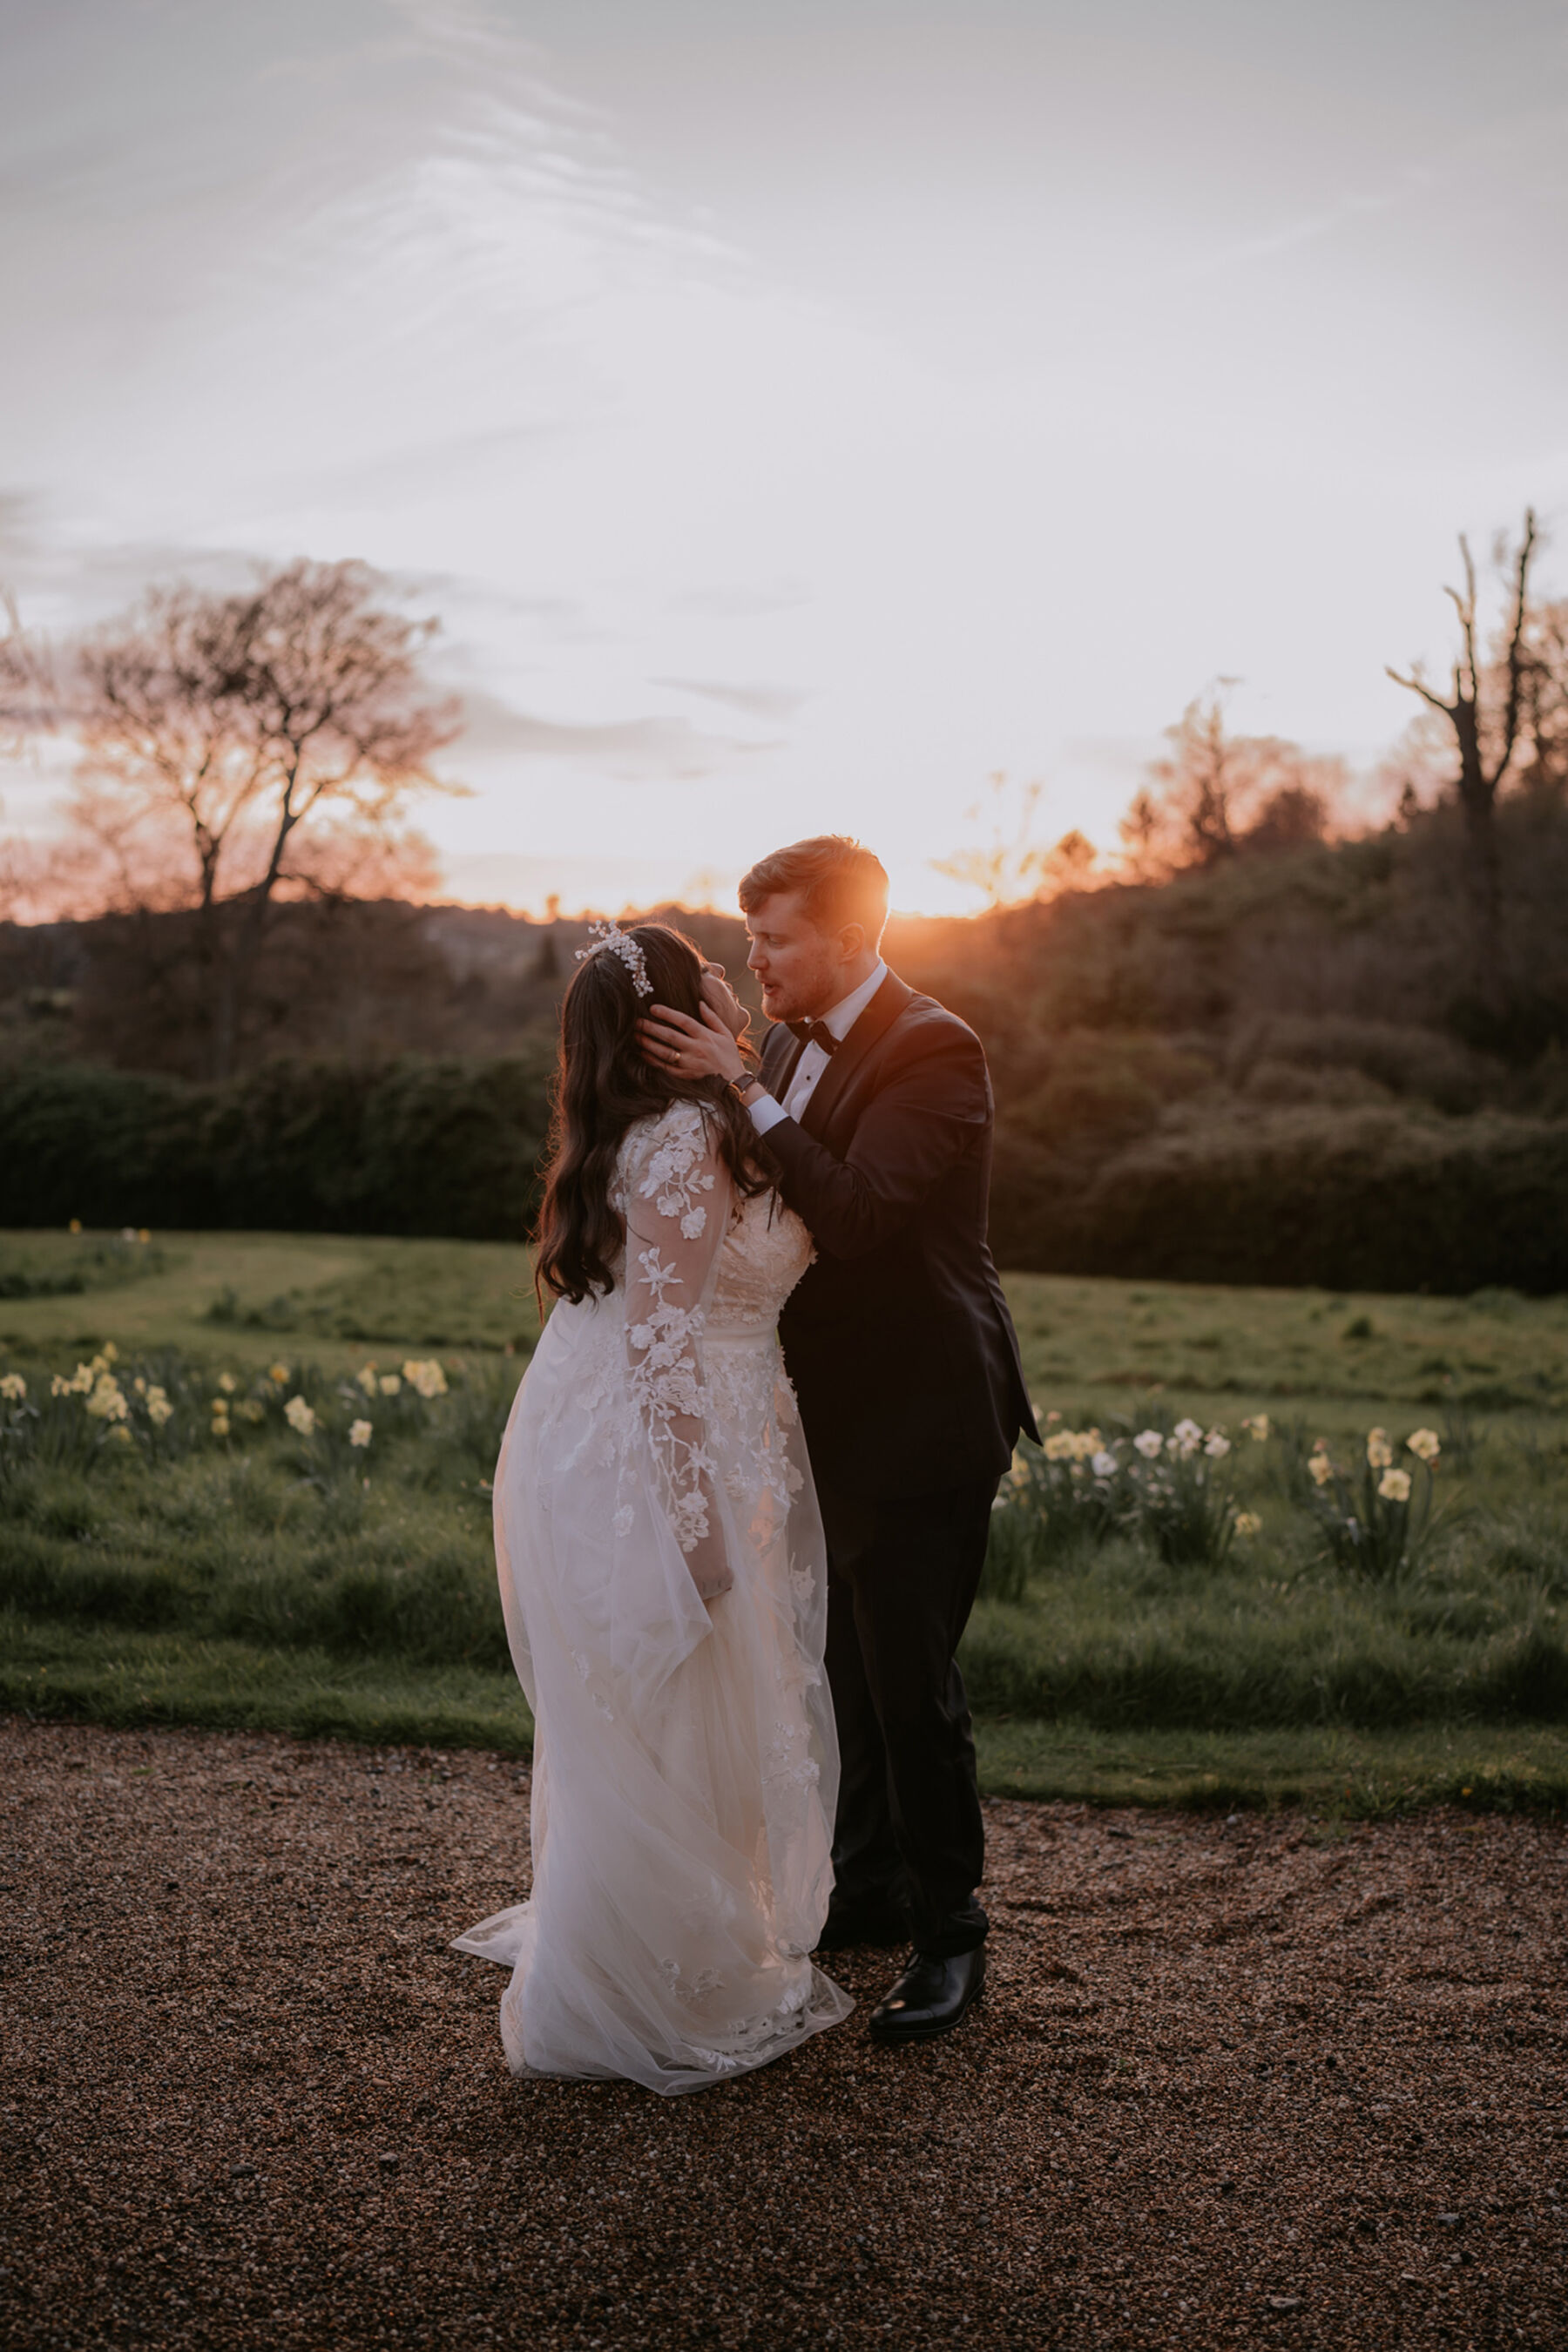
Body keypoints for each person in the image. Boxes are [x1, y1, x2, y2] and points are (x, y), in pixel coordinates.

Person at [639, 836, 1036, 2044]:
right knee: (843, 1674)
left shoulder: (934, 1051)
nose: (754, 959)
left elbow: (856, 1216)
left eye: (777, 941)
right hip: (817, 1417)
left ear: (855, 941)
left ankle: (951, 1934)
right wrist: (740, 1063)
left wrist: (745, 1081)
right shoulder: (785, 1045)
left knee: (910, 1683)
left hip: (924, 1416)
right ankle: (868, 1888)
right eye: (749, 937)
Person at [454, 920, 851, 2093]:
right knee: (681, 1697)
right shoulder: (682, 1139)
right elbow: (662, 1345)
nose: (728, 993)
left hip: (708, 1432)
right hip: (678, 1451)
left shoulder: (682, 1122)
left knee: (681, 1705)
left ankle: (682, 1944)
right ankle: (649, 1980)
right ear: (670, 1017)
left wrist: (732, 1049)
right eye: (705, 985)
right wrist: (696, 1530)